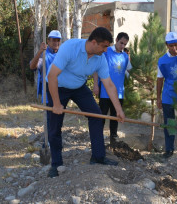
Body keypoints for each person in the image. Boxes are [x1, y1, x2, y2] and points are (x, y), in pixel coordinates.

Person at [46, 27, 125, 178]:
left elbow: (108, 84)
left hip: (78, 87)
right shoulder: (70, 48)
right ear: (94, 43)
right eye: (104, 46)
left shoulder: (100, 58)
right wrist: (56, 103)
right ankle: (56, 164)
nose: (106, 49)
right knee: (55, 124)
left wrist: (119, 109)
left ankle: (98, 157)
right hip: (59, 86)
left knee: (97, 116)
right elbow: (52, 76)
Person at [93, 32, 132, 143]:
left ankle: (113, 138)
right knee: (102, 116)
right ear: (116, 40)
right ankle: (98, 138)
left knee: (115, 117)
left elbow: (129, 71)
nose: (122, 46)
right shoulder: (106, 51)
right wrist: (96, 84)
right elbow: (96, 69)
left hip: (119, 92)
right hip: (105, 92)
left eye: (125, 44)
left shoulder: (125, 56)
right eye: (121, 43)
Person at [30, 30, 62, 133]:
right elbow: (32, 66)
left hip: (61, 92)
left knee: (58, 121)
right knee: (50, 120)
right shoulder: (44, 54)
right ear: (48, 41)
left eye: (58, 40)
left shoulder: (62, 55)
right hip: (48, 93)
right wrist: (39, 51)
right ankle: (48, 142)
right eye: (53, 40)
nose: (55, 43)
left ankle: (54, 141)